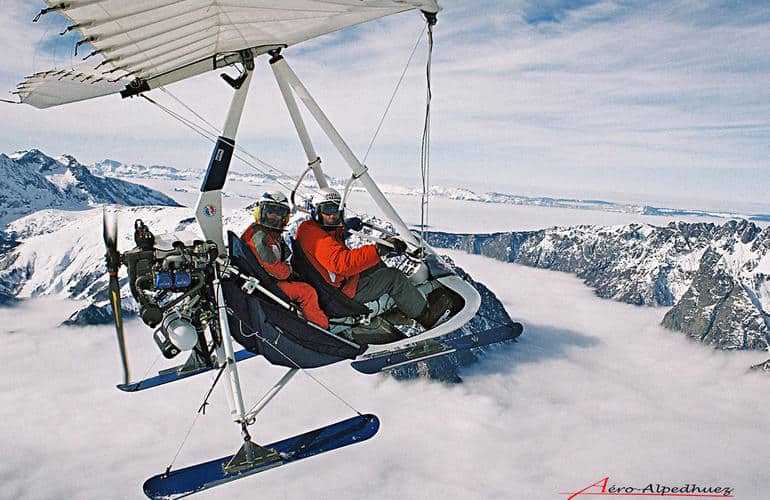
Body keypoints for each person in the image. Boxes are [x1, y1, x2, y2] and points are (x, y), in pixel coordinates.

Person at [294, 187, 449, 329]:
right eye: (327, 209)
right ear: (316, 210)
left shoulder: (309, 228)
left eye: (337, 209)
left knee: (376, 265)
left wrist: (345, 228)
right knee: (393, 277)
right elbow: (342, 264)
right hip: (340, 294)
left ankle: (399, 306)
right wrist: (378, 249)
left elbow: (330, 242)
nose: (333, 215)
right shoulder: (316, 238)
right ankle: (427, 317)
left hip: (331, 283)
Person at [242, 191, 330, 330]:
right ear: (261, 211)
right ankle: (322, 329)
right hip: (268, 285)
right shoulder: (259, 237)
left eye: (280, 213)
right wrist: (289, 270)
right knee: (307, 292)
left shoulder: (270, 234)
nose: (275, 216)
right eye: (271, 211)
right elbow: (277, 270)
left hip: (269, 280)